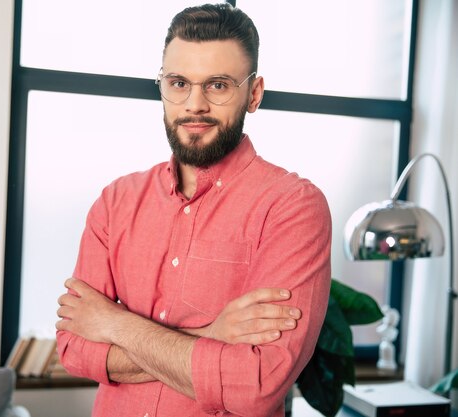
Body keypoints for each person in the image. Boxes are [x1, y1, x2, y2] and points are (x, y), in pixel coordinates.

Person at [56, 4, 331, 416]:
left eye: (218, 85)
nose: (194, 104)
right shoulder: (116, 201)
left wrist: (114, 324)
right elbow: (75, 350)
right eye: (179, 82)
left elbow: (256, 387)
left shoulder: (293, 207)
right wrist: (210, 336)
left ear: (253, 94)